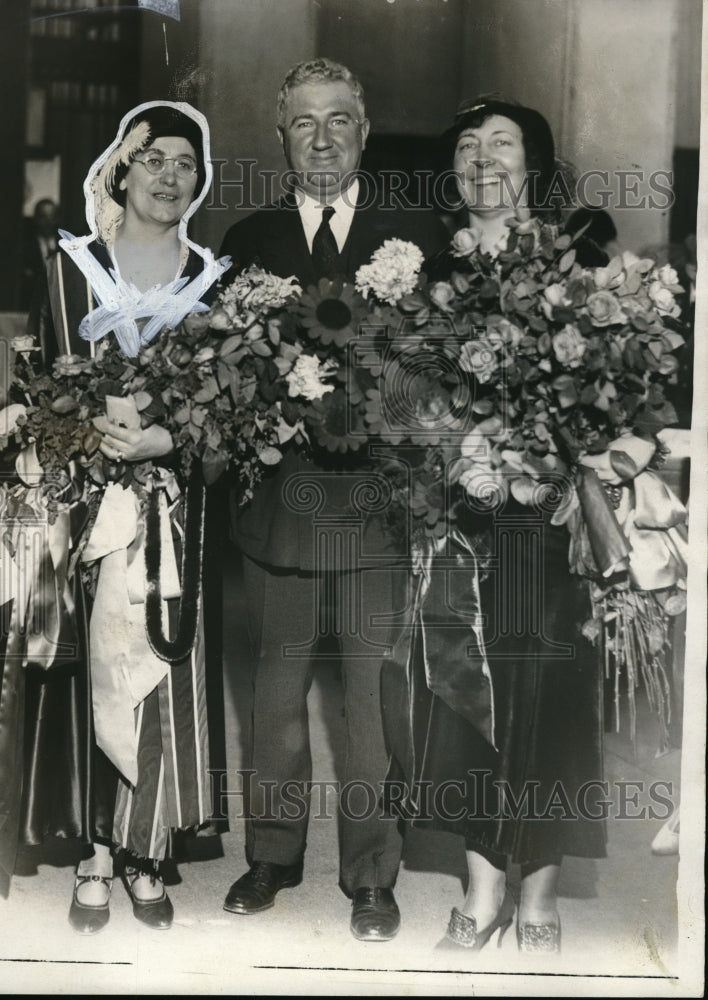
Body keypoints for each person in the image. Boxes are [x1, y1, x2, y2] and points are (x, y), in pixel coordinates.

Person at [0, 101, 229, 933]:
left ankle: (146, 849)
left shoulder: (214, 283)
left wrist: (169, 438)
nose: (170, 175)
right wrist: (68, 435)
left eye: (186, 164)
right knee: (88, 670)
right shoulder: (68, 269)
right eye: (153, 158)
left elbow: (234, 409)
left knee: (159, 663)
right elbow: (36, 383)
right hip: (83, 508)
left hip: (175, 511)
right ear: (120, 170)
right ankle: (93, 850)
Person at [218, 58, 447, 941]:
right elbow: (225, 375)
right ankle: (272, 855)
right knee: (274, 695)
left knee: (369, 702)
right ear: (281, 137)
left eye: (339, 120)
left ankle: (372, 874)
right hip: (282, 504)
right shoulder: (247, 238)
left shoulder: (414, 232)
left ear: (364, 131)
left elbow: (438, 371)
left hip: (378, 505)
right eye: (304, 122)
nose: (322, 139)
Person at [390, 96, 608, 955]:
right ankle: (482, 890)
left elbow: (605, 390)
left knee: (549, 696)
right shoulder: (423, 276)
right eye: (468, 146)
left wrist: (554, 456)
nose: (482, 158)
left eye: (503, 144)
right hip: (463, 516)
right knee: (468, 694)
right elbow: (402, 398)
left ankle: (542, 894)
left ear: (535, 166)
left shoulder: (576, 264)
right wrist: (448, 451)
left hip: (549, 517)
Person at [19, 197, 60, 311]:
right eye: (43, 217)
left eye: (51, 217)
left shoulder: (64, 244)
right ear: (36, 219)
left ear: (56, 219)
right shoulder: (25, 246)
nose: (48, 222)